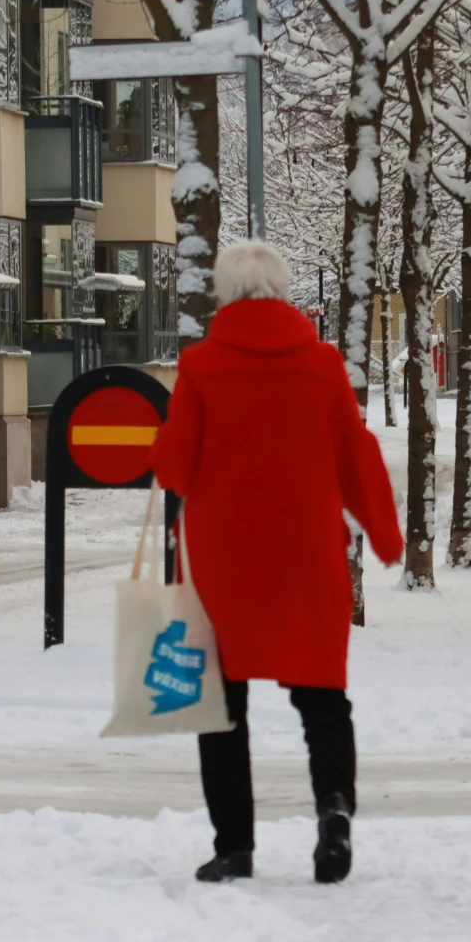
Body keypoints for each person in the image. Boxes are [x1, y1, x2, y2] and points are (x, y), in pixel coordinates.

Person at [150, 240, 402, 884]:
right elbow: (357, 454)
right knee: (323, 700)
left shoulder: (201, 366)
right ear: (285, 293)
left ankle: (235, 847)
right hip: (305, 558)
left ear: (226, 295)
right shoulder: (321, 366)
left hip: (222, 564)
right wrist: (386, 536)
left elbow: (174, 468)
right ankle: (335, 817)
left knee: (222, 710)